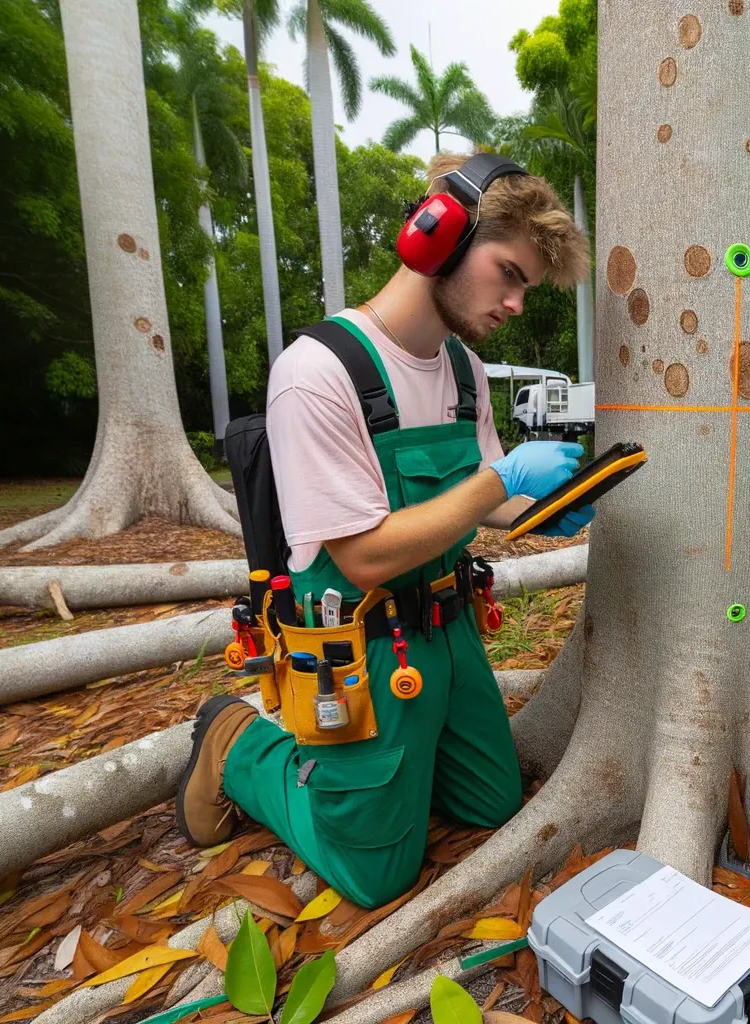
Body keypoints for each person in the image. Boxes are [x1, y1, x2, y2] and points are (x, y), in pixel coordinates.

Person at [174, 153, 592, 909]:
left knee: (493, 804)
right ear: (438, 239)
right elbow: (362, 556)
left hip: (449, 630)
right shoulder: (318, 373)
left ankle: (395, 771)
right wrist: (502, 482)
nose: (516, 303)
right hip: (361, 647)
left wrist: (549, 508)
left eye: (527, 286)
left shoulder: (464, 368)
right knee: (376, 874)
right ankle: (237, 741)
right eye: (508, 273)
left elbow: (487, 494)